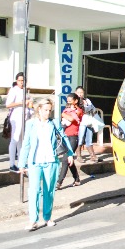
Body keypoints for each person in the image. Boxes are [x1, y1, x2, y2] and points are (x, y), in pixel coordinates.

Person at [19, 97, 74, 231]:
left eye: (49, 110)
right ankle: (33, 220)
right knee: (34, 191)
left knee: (49, 191)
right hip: (35, 162)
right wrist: (22, 163)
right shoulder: (31, 123)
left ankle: (47, 217)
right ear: (39, 109)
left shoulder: (54, 123)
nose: (47, 113)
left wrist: (70, 154)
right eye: (45, 110)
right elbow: (26, 144)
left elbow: (64, 137)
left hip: (51, 161)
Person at [6, 72, 33, 172]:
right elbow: (8, 104)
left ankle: (21, 162)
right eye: (20, 81)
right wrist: (21, 103)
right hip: (16, 116)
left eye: (23, 81)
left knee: (22, 140)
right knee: (15, 138)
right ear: (16, 81)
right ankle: (12, 163)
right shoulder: (14, 90)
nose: (21, 83)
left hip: (25, 116)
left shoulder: (26, 91)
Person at [56, 92, 83, 190]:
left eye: (70, 101)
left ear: (76, 101)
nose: (68, 103)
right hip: (65, 137)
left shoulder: (79, 110)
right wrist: (64, 114)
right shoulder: (67, 110)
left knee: (65, 160)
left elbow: (71, 118)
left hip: (73, 138)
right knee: (69, 159)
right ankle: (77, 179)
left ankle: (59, 182)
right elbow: (63, 115)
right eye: (67, 101)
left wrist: (64, 114)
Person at [75, 85, 98, 162]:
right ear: (75, 93)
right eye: (78, 92)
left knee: (89, 138)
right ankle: (79, 156)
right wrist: (87, 107)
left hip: (89, 121)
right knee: (80, 138)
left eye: (81, 92)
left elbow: (94, 109)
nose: (80, 94)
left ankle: (93, 156)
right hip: (81, 122)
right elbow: (81, 110)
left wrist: (88, 106)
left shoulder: (87, 100)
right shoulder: (75, 101)